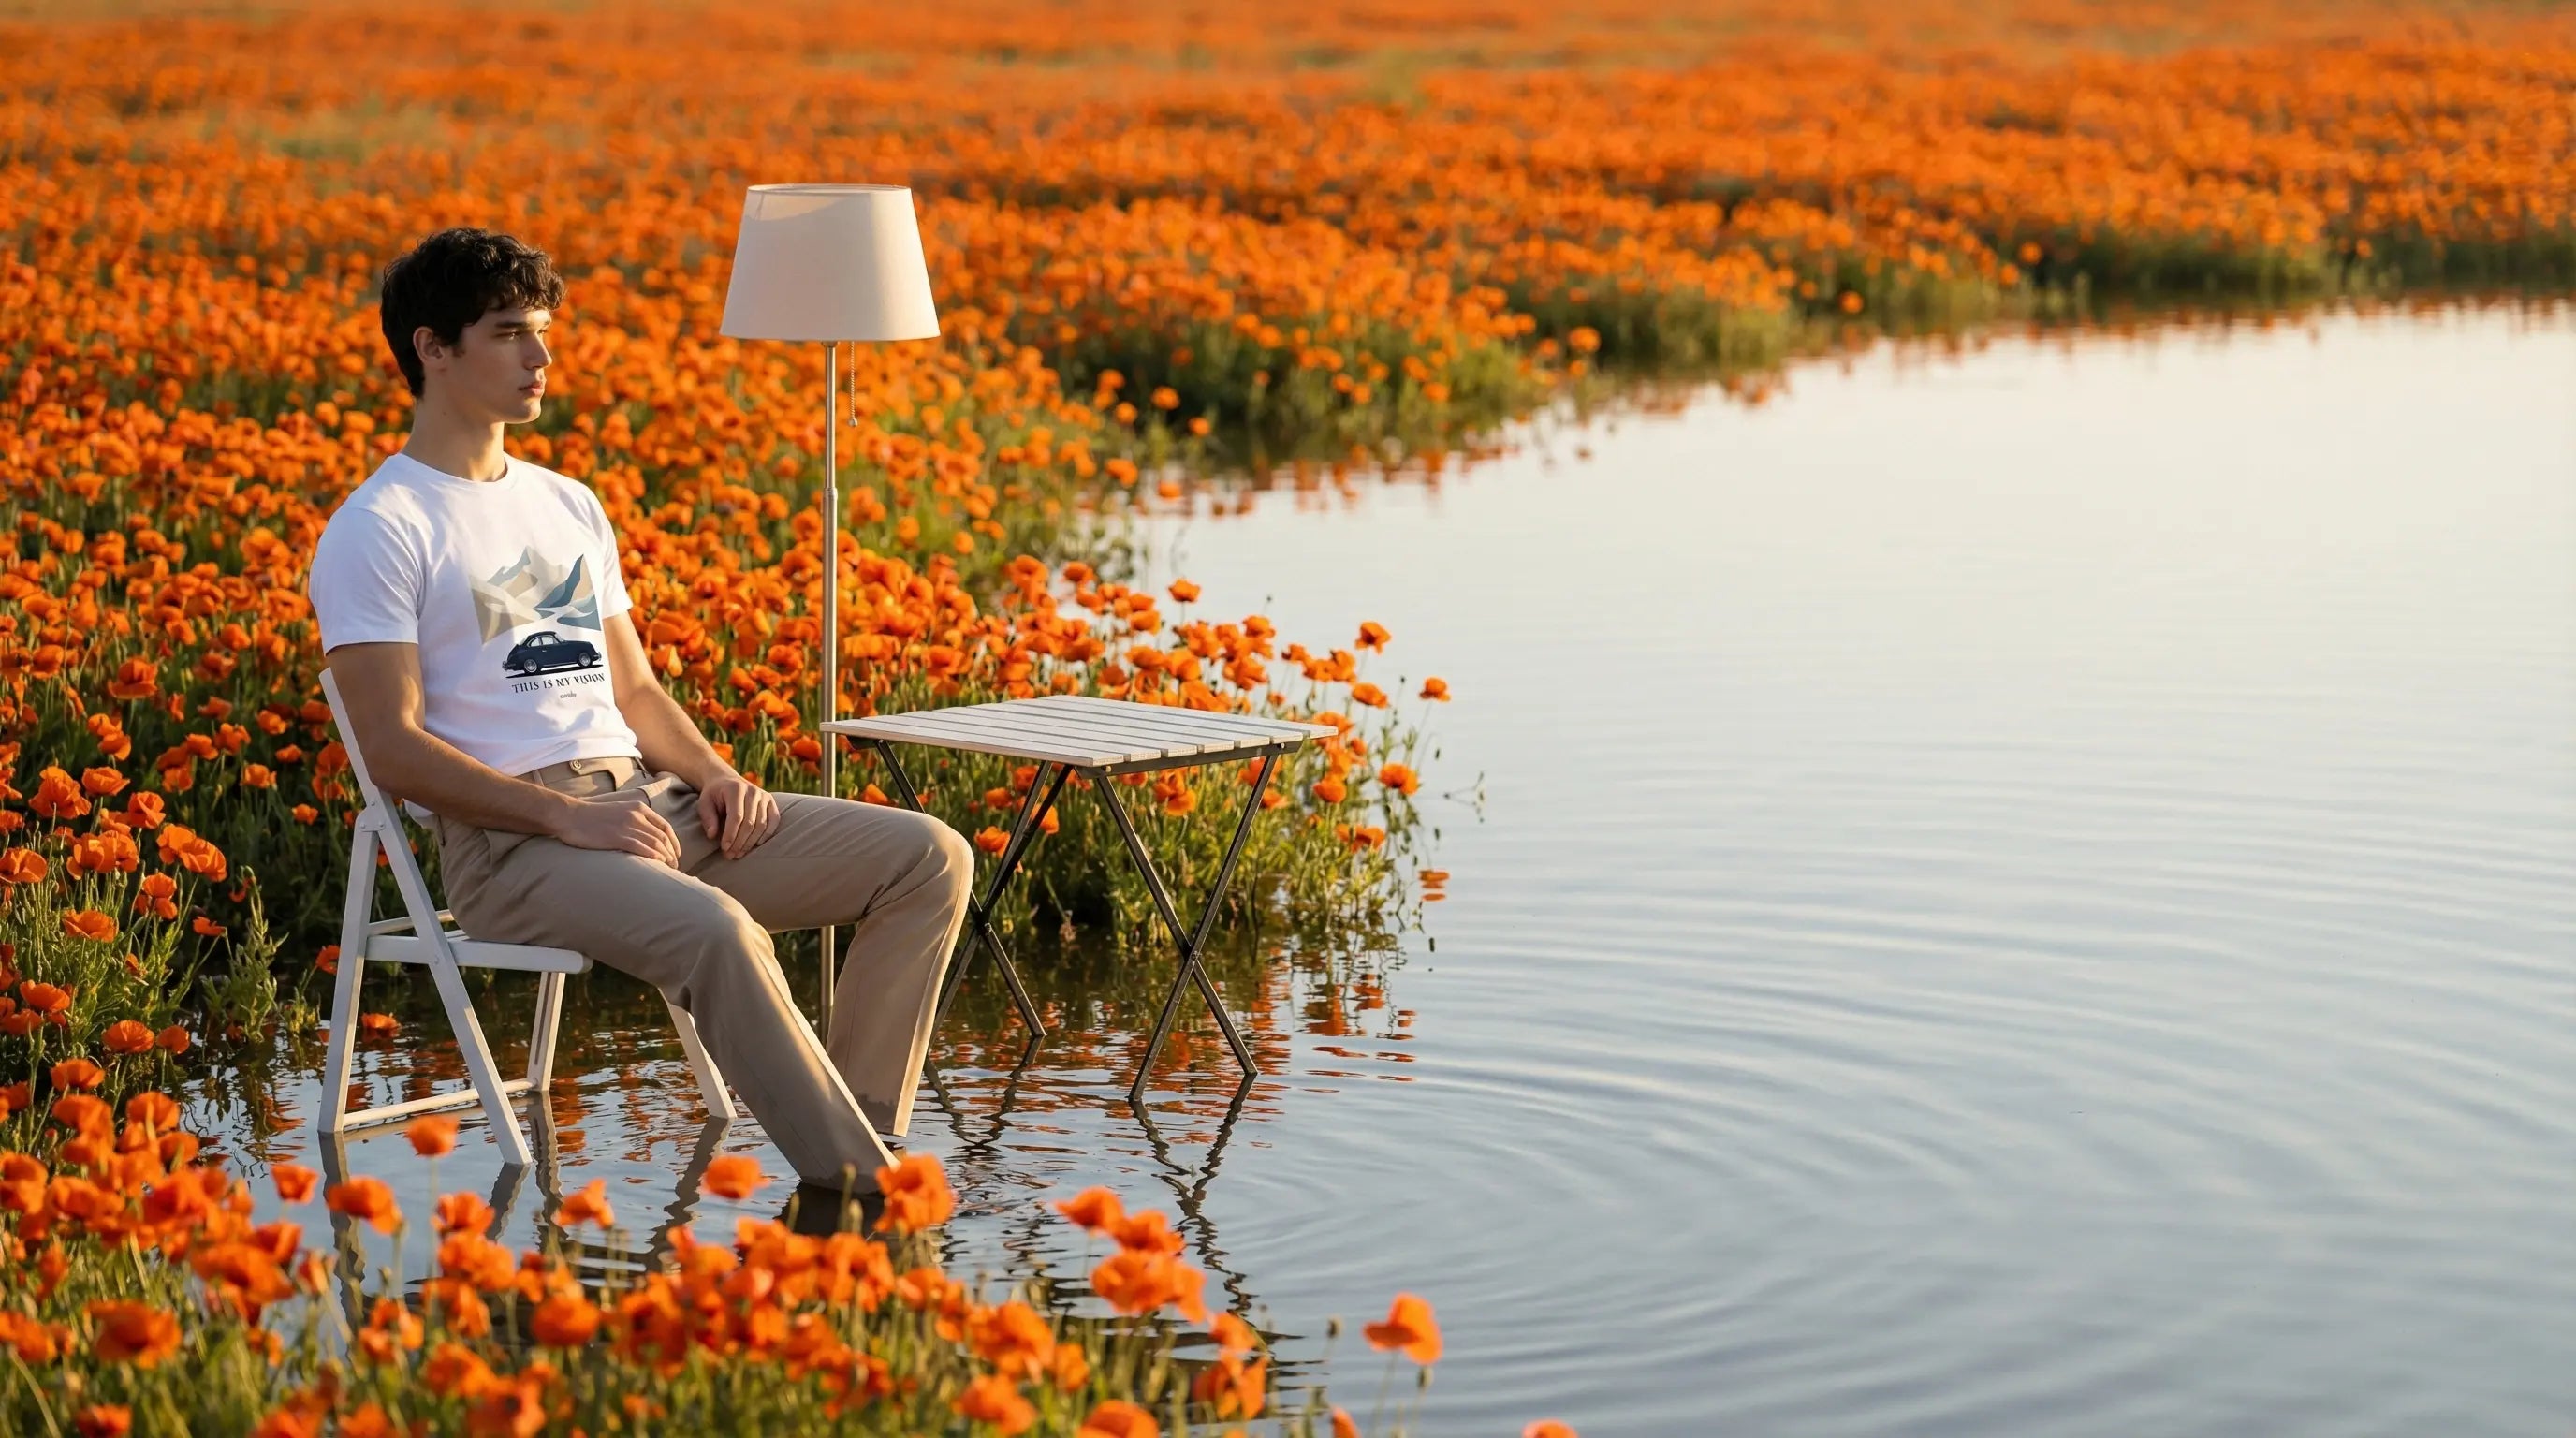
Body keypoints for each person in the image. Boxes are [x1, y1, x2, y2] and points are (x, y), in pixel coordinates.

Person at [306, 227, 973, 1196]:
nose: (541, 357)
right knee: (718, 933)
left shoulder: (566, 503)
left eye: (542, 332)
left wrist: (715, 777)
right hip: (517, 847)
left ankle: (859, 1138)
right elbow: (394, 750)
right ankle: (861, 1196)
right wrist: (569, 817)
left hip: (647, 809)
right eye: (509, 333)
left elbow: (634, 692)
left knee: (928, 857)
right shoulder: (381, 525)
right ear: (431, 348)